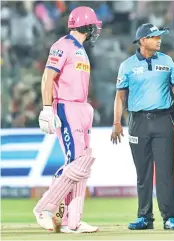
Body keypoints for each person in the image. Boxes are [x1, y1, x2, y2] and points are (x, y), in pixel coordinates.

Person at [111, 23, 174, 230]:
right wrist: (116, 122)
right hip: (137, 122)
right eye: (154, 37)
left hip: (163, 121)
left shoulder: (167, 61)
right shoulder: (127, 65)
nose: (159, 40)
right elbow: (120, 97)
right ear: (142, 41)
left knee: (166, 171)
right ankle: (144, 217)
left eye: (159, 37)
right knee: (143, 172)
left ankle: (170, 218)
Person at [33, 6, 102, 233]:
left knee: (83, 163)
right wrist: (46, 109)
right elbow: (48, 76)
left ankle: (72, 222)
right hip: (66, 106)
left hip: (82, 107)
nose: (95, 30)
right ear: (87, 25)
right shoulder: (62, 45)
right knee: (75, 162)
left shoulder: (80, 49)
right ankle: (44, 209)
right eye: (93, 25)